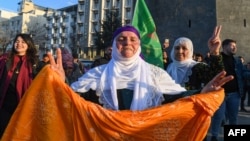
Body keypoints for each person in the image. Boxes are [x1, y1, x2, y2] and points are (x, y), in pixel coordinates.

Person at [1, 26, 233, 140]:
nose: (127, 43)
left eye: (132, 39)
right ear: (114, 46)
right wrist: (60, 83)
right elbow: (72, 102)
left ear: (139, 46)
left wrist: (202, 92)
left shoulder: (155, 74)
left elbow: (177, 99)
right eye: (121, 39)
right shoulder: (97, 74)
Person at [0, 33, 38, 138]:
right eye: (17, 41)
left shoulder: (35, 63)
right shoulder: (5, 60)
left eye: (23, 42)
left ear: (29, 44)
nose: (19, 44)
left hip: (24, 106)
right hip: (4, 105)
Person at [166, 26, 224, 90]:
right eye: (177, 48)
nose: (180, 51)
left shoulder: (197, 67)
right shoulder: (169, 68)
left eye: (184, 48)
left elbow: (216, 76)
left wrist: (215, 52)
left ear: (190, 51)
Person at [209, 38, 245, 141]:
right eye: (232, 45)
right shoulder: (217, 58)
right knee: (218, 116)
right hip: (220, 93)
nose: (235, 47)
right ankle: (214, 136)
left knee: (233, 118)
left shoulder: (237, 60)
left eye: (235, 46)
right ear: (224, 46)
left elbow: (243, 73)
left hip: (235, 94)